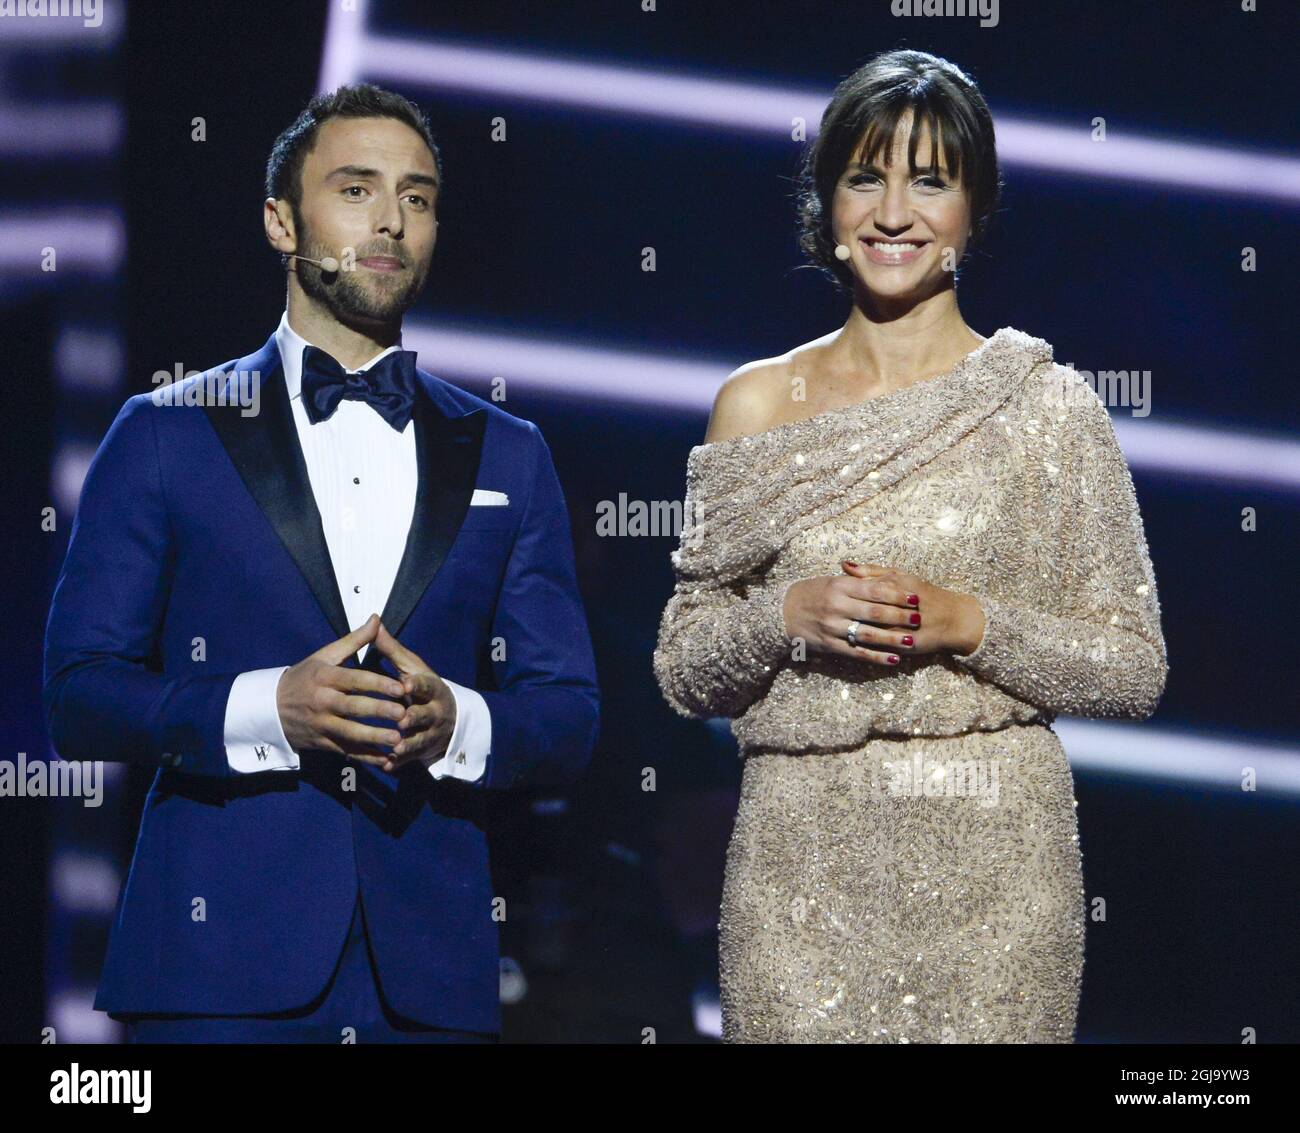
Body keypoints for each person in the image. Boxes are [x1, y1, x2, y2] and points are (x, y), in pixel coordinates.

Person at [43, 83, 600, 1043]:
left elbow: (569, 714)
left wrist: (457, 719)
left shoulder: (510, 452)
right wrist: (271, 707)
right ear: (279, 221)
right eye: (356, 188)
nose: (390, 219)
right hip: (213, 977)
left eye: (418, 197)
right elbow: (78, 694)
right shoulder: (166, 433)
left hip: (427, 978)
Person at [653, 50, 1168, 1043]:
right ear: (828, 204)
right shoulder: (754, 403)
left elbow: (1129, 667)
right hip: (799, 875)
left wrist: (969, 622)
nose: (894, 211)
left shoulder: (1047, 408)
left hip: (994, 877)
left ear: (973, 206)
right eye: (865, 177)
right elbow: (684, 669)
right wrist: (782, 616)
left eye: (929, 179)